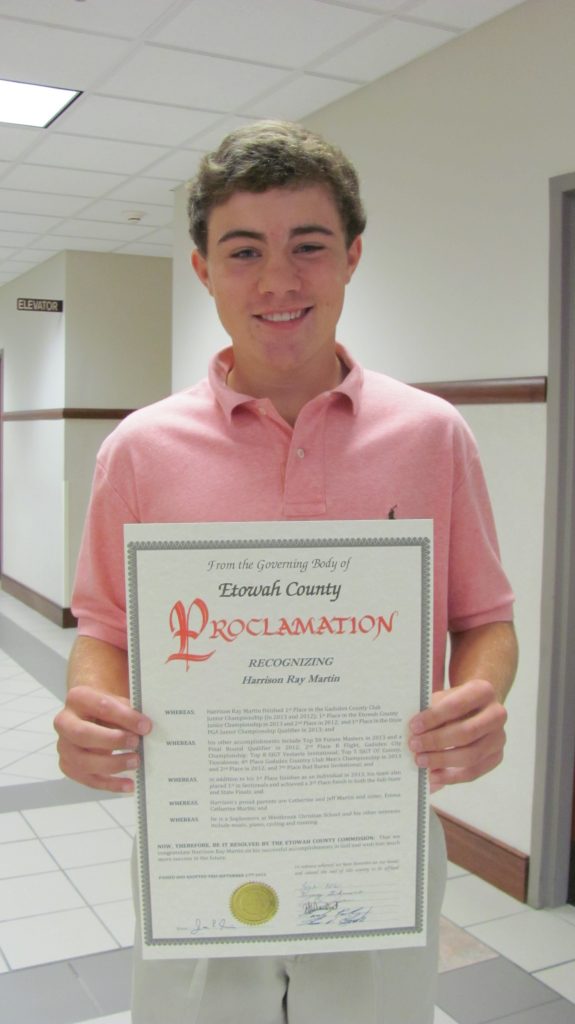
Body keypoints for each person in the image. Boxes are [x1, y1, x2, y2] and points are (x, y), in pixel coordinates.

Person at [54, 120, 518, 1024]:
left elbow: (484, 618)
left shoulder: (431, 435)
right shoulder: (140, 449)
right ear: (203, 269)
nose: (277, 280)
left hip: (373, 832)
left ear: (350, 258)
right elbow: (105, 629)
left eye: (308, 245)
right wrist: (90, 711)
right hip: (199, 839)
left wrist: (478, 701)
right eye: (243, 251)